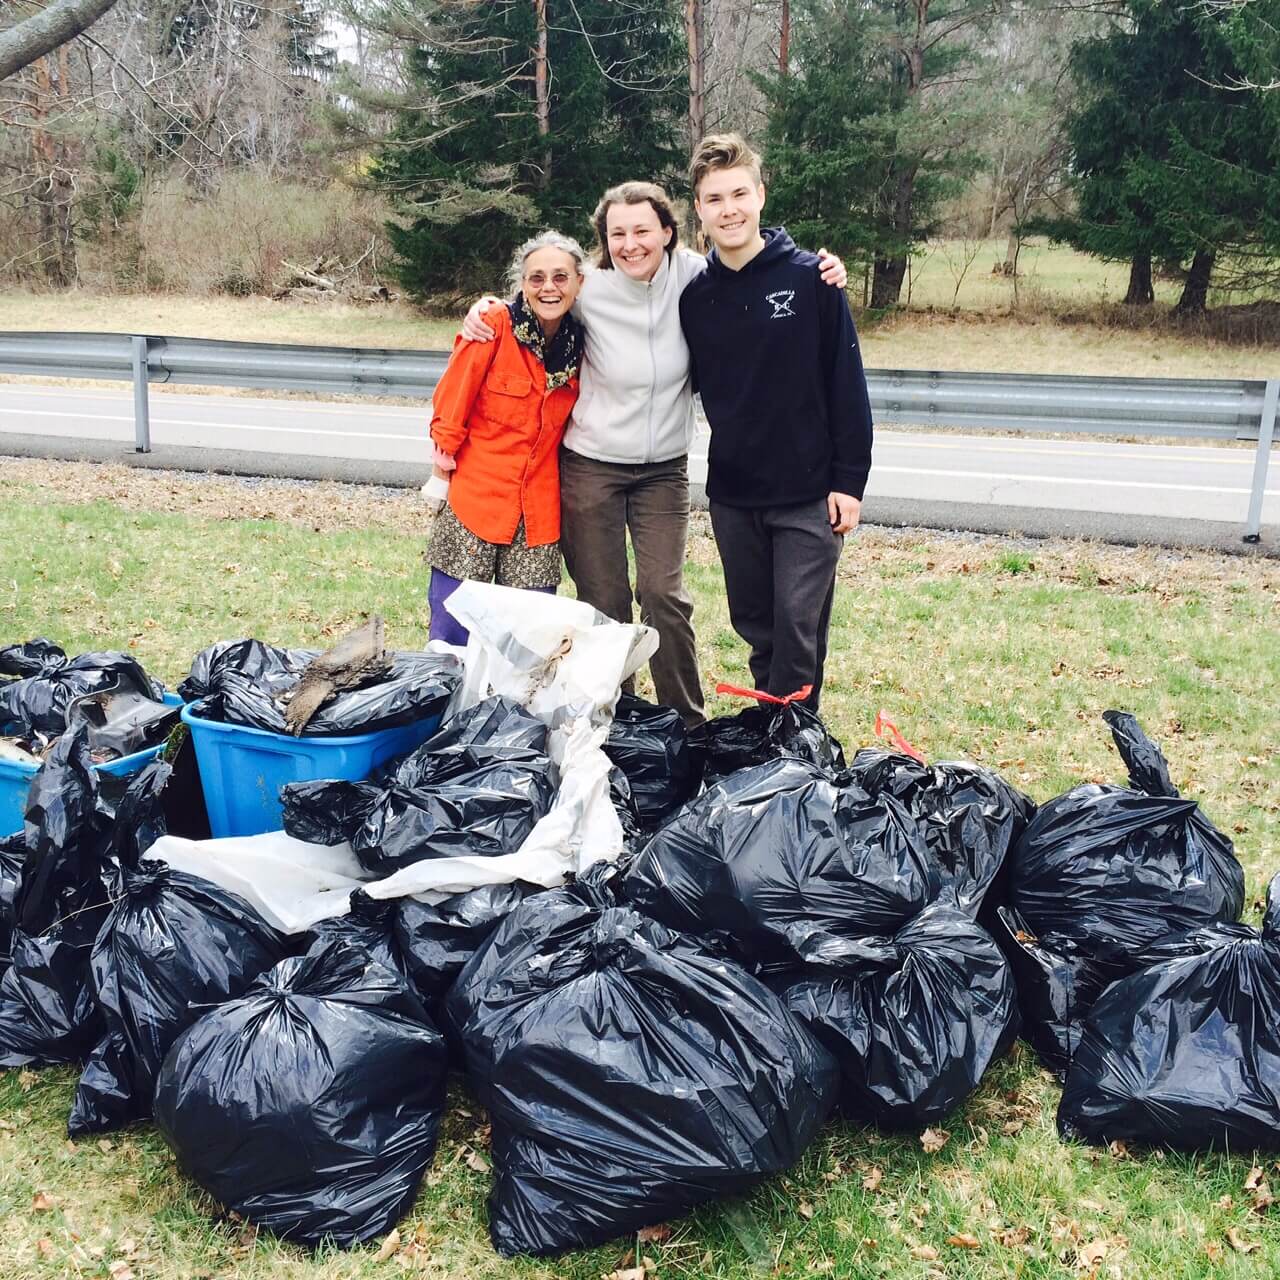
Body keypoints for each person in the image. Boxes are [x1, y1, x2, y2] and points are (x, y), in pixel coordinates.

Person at [461, 182, 848, 724]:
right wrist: (486, 309)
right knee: (605, 602)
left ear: (668, 231)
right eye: (617, 233)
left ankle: (685, 722)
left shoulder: (697, 277)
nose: (630, 244)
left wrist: (821, 268)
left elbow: (755, 265)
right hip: (591, 466)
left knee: (663, 596)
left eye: (642, 230)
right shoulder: (589, 287)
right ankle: (614, 720)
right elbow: (538, 298)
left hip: (663, 471)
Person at [678, 134, 873, 710]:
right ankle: (777, 728)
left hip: (808, 493)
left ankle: (790, 742)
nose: (729, 210)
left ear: (760, 195)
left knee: (796, 625)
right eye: (715, 199)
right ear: (699, 209)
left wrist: (850, 481)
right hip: (734, 495)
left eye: (739, 194)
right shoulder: (696, 298)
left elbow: (846, 382)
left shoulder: (813, 279)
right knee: (756, 624)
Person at [426, 230, 586, 645]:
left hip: (539, 515)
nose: (549, 288)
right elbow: (453, 399)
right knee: (452, 633)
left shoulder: (584, 343)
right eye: (536, 278)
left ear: (579, 283)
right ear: (522, 284)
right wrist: (441, 472)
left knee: (529, 639)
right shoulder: (495, 324)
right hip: (475, 501)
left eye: (560, 277)